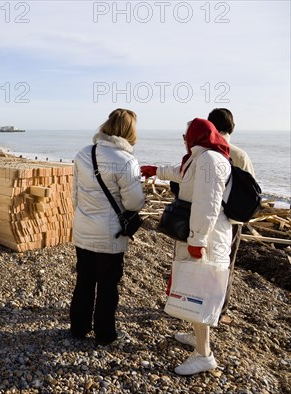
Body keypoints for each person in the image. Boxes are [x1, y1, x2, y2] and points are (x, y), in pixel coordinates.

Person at [141, 118, 232, 375]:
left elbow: (208, 204)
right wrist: (156, 170)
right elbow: (181, 173)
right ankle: (198, 339)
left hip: (207, 240)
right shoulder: (201, 157)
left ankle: (204, 355)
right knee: (194, 291)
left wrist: (197, 241)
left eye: (186, 135)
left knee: (198, 292)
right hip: (202, 237)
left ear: (194, 136)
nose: (184, 140)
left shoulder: (209, 161)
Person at [70, 108, 145, 346]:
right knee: (108, 285)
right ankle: (105, 334)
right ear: (129, 131)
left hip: (83, 227)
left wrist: (85, 214)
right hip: (110, 234)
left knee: (84, 280)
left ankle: (79, 327)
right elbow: (133, 202)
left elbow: (75, 195)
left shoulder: (84, 154)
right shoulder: (126, 161)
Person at [207, 108, 256, 318]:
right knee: (226, 264)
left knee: (202, 263)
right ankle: (219, 309)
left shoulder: (203, 151)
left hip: (205, 214)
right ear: (232, 127)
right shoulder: (239, 155)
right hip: (232, 218)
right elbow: (251, 192)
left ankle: (194, 304)